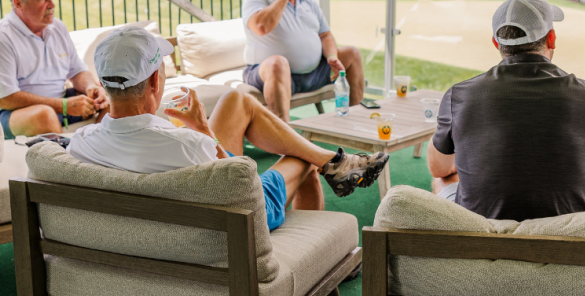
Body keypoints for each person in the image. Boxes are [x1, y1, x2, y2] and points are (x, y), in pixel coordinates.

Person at [67, 27, 388, 229]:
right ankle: (327, 206)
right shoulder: (189, 145)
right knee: (301, 157)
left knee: (237, 100)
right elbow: (242, 181)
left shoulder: (80, 142)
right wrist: (202, 129)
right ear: (154, 81)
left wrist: (197, 132)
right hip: (243, 214)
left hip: (168, 218)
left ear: (103, 84)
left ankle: (334, 163)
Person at [427, 0, 585, 220]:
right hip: (564, 236)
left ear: (496, 43)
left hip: (485, 233)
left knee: (445, 179)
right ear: (552, 39)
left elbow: (438, 169)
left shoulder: (458, 95)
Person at [0, 0, 109, 138]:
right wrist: (64, 106)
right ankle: (67, 161)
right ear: (18, 4)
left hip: (59, 103)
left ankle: (96, 147)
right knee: (44, 115)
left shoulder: (58, 27)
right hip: (6, 114)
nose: (52, 5)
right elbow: (6, 99)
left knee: (113, 99)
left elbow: (77, 71)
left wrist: (92, 87)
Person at [241, 0, 365, 119]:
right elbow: (261, 27)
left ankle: (356, 120)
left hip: (313, 74)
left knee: (352, 53)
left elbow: (325, 35)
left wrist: (331, 56)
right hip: (269, 74)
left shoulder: (308, 3)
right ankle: (282, 137)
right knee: (277, 63)